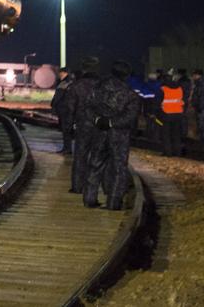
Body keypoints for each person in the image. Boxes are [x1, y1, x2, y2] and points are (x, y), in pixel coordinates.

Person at [85, 60, 142, 210]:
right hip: (119, 135)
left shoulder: (98, 89)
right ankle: (114, 202)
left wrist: (98, 120)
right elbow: (130, 116)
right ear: (126, 75)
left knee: (95, 165)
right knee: (119, 168)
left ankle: (89, 198)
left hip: (99, 132)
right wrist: (112, 122)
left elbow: (88, 106)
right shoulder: (130, 94)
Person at [65, 56, 102, 194]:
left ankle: (77, 187)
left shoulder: (76, 85)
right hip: (100, 126)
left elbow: (70, 108)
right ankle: (94, 189)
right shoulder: (103, 85)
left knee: (80, 156)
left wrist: (68, 126)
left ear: (84, 68)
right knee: (98, 157)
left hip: (82, 126)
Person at [159, 71, 185, 156]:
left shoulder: (163, 89)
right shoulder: (180, 89)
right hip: (178, 114)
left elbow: (158, 101)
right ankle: (177, 152)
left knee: (166, 134)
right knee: (176, 134)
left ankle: (167, 152)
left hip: (167, 114)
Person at [51, 66, 75, 154]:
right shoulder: (64, 82)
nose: (59, 74)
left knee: (66, 130)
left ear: (65, 73)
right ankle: (66, 148)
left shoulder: (67, 83)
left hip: (66, 110)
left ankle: (67, 149)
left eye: (61, 73)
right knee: (65, 130)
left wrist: (54, 105)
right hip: (64, 109)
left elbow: (60, 97)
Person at [189, 69, 204, 146]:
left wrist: (199, 107)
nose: (193, 77)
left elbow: (203, 98)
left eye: (194, 75)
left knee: (203, 126)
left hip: (202, 109)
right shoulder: (200, 84)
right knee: (202, 126)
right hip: (202, 108)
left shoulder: (201, 84)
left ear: (198, 75)